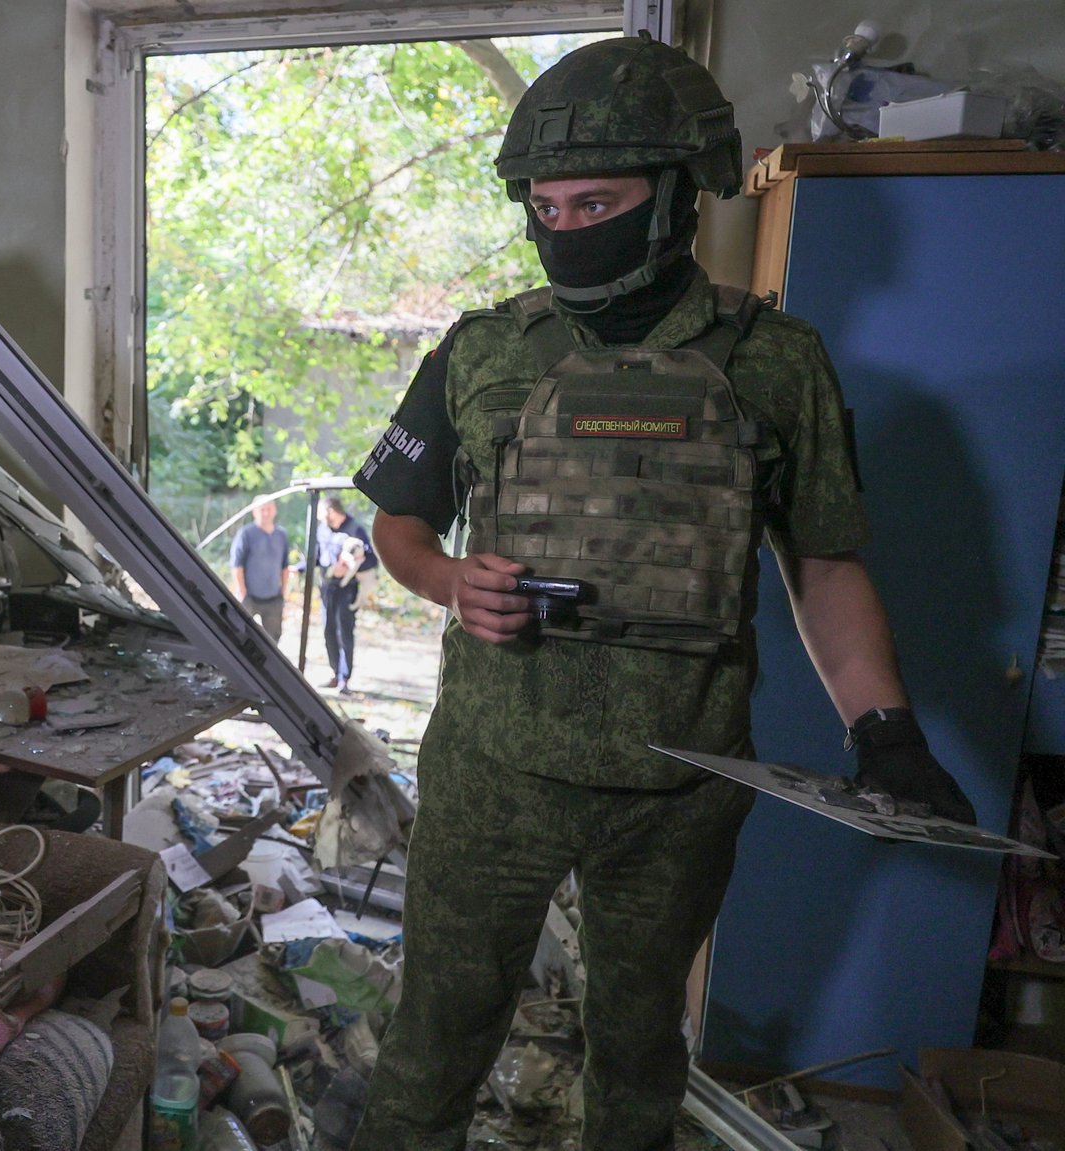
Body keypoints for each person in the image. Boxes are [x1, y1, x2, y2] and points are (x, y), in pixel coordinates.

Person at [346, 37, 975, 1151]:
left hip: (677, 784)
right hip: (494, 767)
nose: (563, 227)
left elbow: (822, 562)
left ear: (681, 194)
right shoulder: (482, 348)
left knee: (638, 1048)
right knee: (434, 1034)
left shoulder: (774, 361)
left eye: (595, 199)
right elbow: (396, 521)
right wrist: (448, 581)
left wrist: (885, 731)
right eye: (542, 204)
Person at [315, 496, 378, 694]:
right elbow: (316, 556)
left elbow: (370, 561)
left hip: (347, 588)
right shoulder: (322, 529)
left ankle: (345, 678)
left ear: (332, 511)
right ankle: (335, 673)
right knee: (328, 630)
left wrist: (352, 565)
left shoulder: (354, 530)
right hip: (327, 586)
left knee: (344, 631)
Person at [230, 497, 294, 643]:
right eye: (261, 509)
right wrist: (242, 591)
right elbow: (236, 565)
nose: (265, 513)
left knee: (272, 639)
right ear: (254, 512)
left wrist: (283, 590)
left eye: (269, 509)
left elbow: (284, 566)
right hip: (250, 597)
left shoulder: (281, 535)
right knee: (240, 636)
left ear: (275, 510)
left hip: (273, 597)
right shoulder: (246, 533)